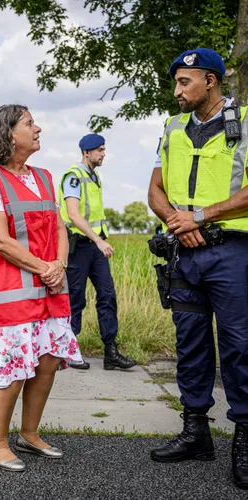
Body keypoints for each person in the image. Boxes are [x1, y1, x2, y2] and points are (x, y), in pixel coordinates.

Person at [148, 48, 248, 490]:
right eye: (175, 83)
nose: (177, 91)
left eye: (184, 82)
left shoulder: (245, 122)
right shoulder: (171, 127)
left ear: (211, 80)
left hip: (231, 253)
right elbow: (155, 189)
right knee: (189, 344)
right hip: (183, 252)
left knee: (239, 347)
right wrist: (177, 221)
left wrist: (201, 217)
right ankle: (195, 432)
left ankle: (244, 439)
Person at [0, 104, 83, 472]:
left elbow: (61, 228)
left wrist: (59, 265)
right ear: (8, 133)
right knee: (13, 369)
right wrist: (45, 268)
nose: (39, 128)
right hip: (13, 294)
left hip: (50, 289)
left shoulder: (46, 177)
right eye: (30, 123)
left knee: (46, 364)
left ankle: (29, 434)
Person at [58, 134, 136, 370]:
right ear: (86, 152)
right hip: (79, 246)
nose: (103, 154)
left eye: (104, 149)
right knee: (75, 299)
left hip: (94, 246)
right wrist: (98, 241)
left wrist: (99, 242)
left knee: (107, 295)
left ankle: (110, 352)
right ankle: (69, 351)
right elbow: (73, 214)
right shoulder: (74, 176)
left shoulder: (95, 177)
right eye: (100, 150)